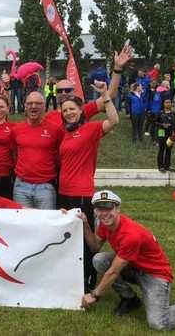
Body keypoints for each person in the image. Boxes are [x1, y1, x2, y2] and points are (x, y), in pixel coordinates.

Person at [79, 190, 175, 331]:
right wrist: (85, 224)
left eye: (108, 208)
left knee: (159, 324)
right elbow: (94, 247)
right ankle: (130, 299)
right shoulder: (105, 225)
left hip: (155, 274)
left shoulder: (130, 234)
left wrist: (94, 294)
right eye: (99, 209)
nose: (104, 213)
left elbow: (113, 272)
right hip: (134, 266)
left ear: (118, 209)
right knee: (99, 259)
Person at [57, 82, 119, 293]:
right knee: (67, 238)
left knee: (84, 239)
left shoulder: (90, 129)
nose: (68, 113)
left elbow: (114, 120)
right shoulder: (66, 133)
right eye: (65, 111)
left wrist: (105, 96)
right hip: (63, 192)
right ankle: (70, 276)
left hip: (81, 194)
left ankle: (88, 279)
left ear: (80, 111)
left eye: (72, 109)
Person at [11, 91, 64, 210]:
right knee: (23, 225)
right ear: (25, 106)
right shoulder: (16, 130)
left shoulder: (55, 130)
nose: (33, 106)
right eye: (30, 103)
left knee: (46, 225)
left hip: (45, 187)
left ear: (44, 106)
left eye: (38, 103)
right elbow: (14, 153)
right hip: (21, 186)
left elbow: (60, 155)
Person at [156, 98, 175, 173]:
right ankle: (161, 166)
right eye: (166, 102)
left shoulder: (173, 113)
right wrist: (162, 125)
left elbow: (174, 124)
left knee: (169, 150)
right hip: (161, 133)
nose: (168, 104)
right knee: (161, 149)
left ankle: (167, 166)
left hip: (170, 134)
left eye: (169, 102)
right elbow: (155, 122)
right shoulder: (160, 113)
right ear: (163, 104)